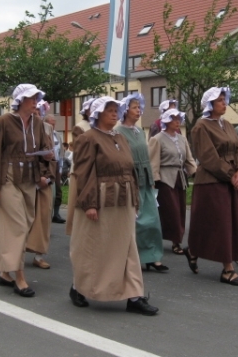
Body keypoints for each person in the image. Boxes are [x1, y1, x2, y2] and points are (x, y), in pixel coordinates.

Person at [69, 96, 158, 315]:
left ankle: (134, 295)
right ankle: (78, 287)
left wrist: (135, 199)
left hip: (124, 198)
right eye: (110, 110)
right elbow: (84, 172)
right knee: (95, 246)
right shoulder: (88, 138)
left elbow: (131, 170)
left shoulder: (120, 136)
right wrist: (90, 203)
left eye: (116, 110)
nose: (114, 113)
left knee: (128, 246)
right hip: (100, 198)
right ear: (98, 114)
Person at [0, 84, 53, 297]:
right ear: (20, 100)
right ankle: (20, 277)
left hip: (29, 179)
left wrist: (46, 164)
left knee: (26, 223)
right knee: (18, 226)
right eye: (31, 97)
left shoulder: (38, 123)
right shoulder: (2, 122)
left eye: (36, 97)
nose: (35, 101)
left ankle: (5, 272)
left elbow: (45, 149)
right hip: (8, 177)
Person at [185, 87, 238, 286]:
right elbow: (208, 157)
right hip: (212, 181)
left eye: (224, 99)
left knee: (228, 222)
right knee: (219, 224)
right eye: (220, 100)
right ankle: (228, 269)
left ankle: (194, 250)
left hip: (231, 180)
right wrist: (230, 174)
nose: (224, 103)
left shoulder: (228, 125)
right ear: (210, 104)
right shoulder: (201, 127)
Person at [115, 93, 167, 272]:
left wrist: (152, 179)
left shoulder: (139, 131)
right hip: (132, 178)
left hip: (145, 178)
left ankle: (153, 256)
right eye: (135, 108)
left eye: (139, 107)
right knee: (137, 221)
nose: (139, 111)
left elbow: (146, 156)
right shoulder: (119, 132)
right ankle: (134, 256)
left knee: (152, 218)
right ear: (125, 110)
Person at [148, 108, 197, 255]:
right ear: (167, 121)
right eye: (174, 119)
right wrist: (154, 180)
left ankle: (177, 240)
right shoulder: (157, 139)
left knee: (181, 209)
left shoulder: (182, 139)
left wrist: (196, 173)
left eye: (178, 119)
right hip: (164, 179)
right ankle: (173, 239)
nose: (178, 122)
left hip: (179, 178)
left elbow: (189, 159)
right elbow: (153, 162)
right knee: (171, 211)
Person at [25, 102, 56, 268]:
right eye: (33, 109)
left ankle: (38, 255)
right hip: (26, 178)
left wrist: (48, 177)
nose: (36, 112)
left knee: (43, 217)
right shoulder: (21, 129)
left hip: (44, 179)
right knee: (23, 218)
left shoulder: (47, 129)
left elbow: (52, 156)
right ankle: (17, 252)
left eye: (39, 110)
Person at [65, 97, 96, 235]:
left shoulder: (98, 125)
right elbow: (80, 152)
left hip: (96, 170)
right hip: (81, 170)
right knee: (77, 202)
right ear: (87, 111)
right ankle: (75, 231)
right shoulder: (80, 126)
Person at [45, 114, 65, 224]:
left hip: (57, 164)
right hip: (48, 165)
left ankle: (56, 213)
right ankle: (47, 214)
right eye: (51, 124)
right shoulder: (44, 133)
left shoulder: (57, 134)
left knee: (58, 190)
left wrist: (61, 168)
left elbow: (61, 152)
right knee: (49, 191)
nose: (53, 126)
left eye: (54, 124)